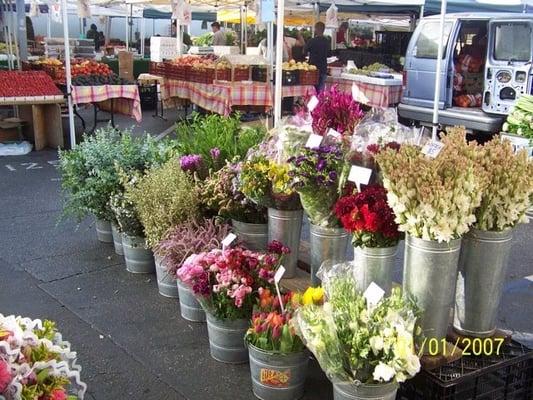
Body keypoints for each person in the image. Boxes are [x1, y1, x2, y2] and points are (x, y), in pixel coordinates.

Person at [304, 21, 330, 93]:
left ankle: (313, 104)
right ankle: (320, 103)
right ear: (323, 30)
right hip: (323, 68)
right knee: (321, 92)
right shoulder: (326, 41)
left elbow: (304, 52)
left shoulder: (312, 41)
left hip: (312, 69)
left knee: (311, 90)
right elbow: (329, 54)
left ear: (316, 29)